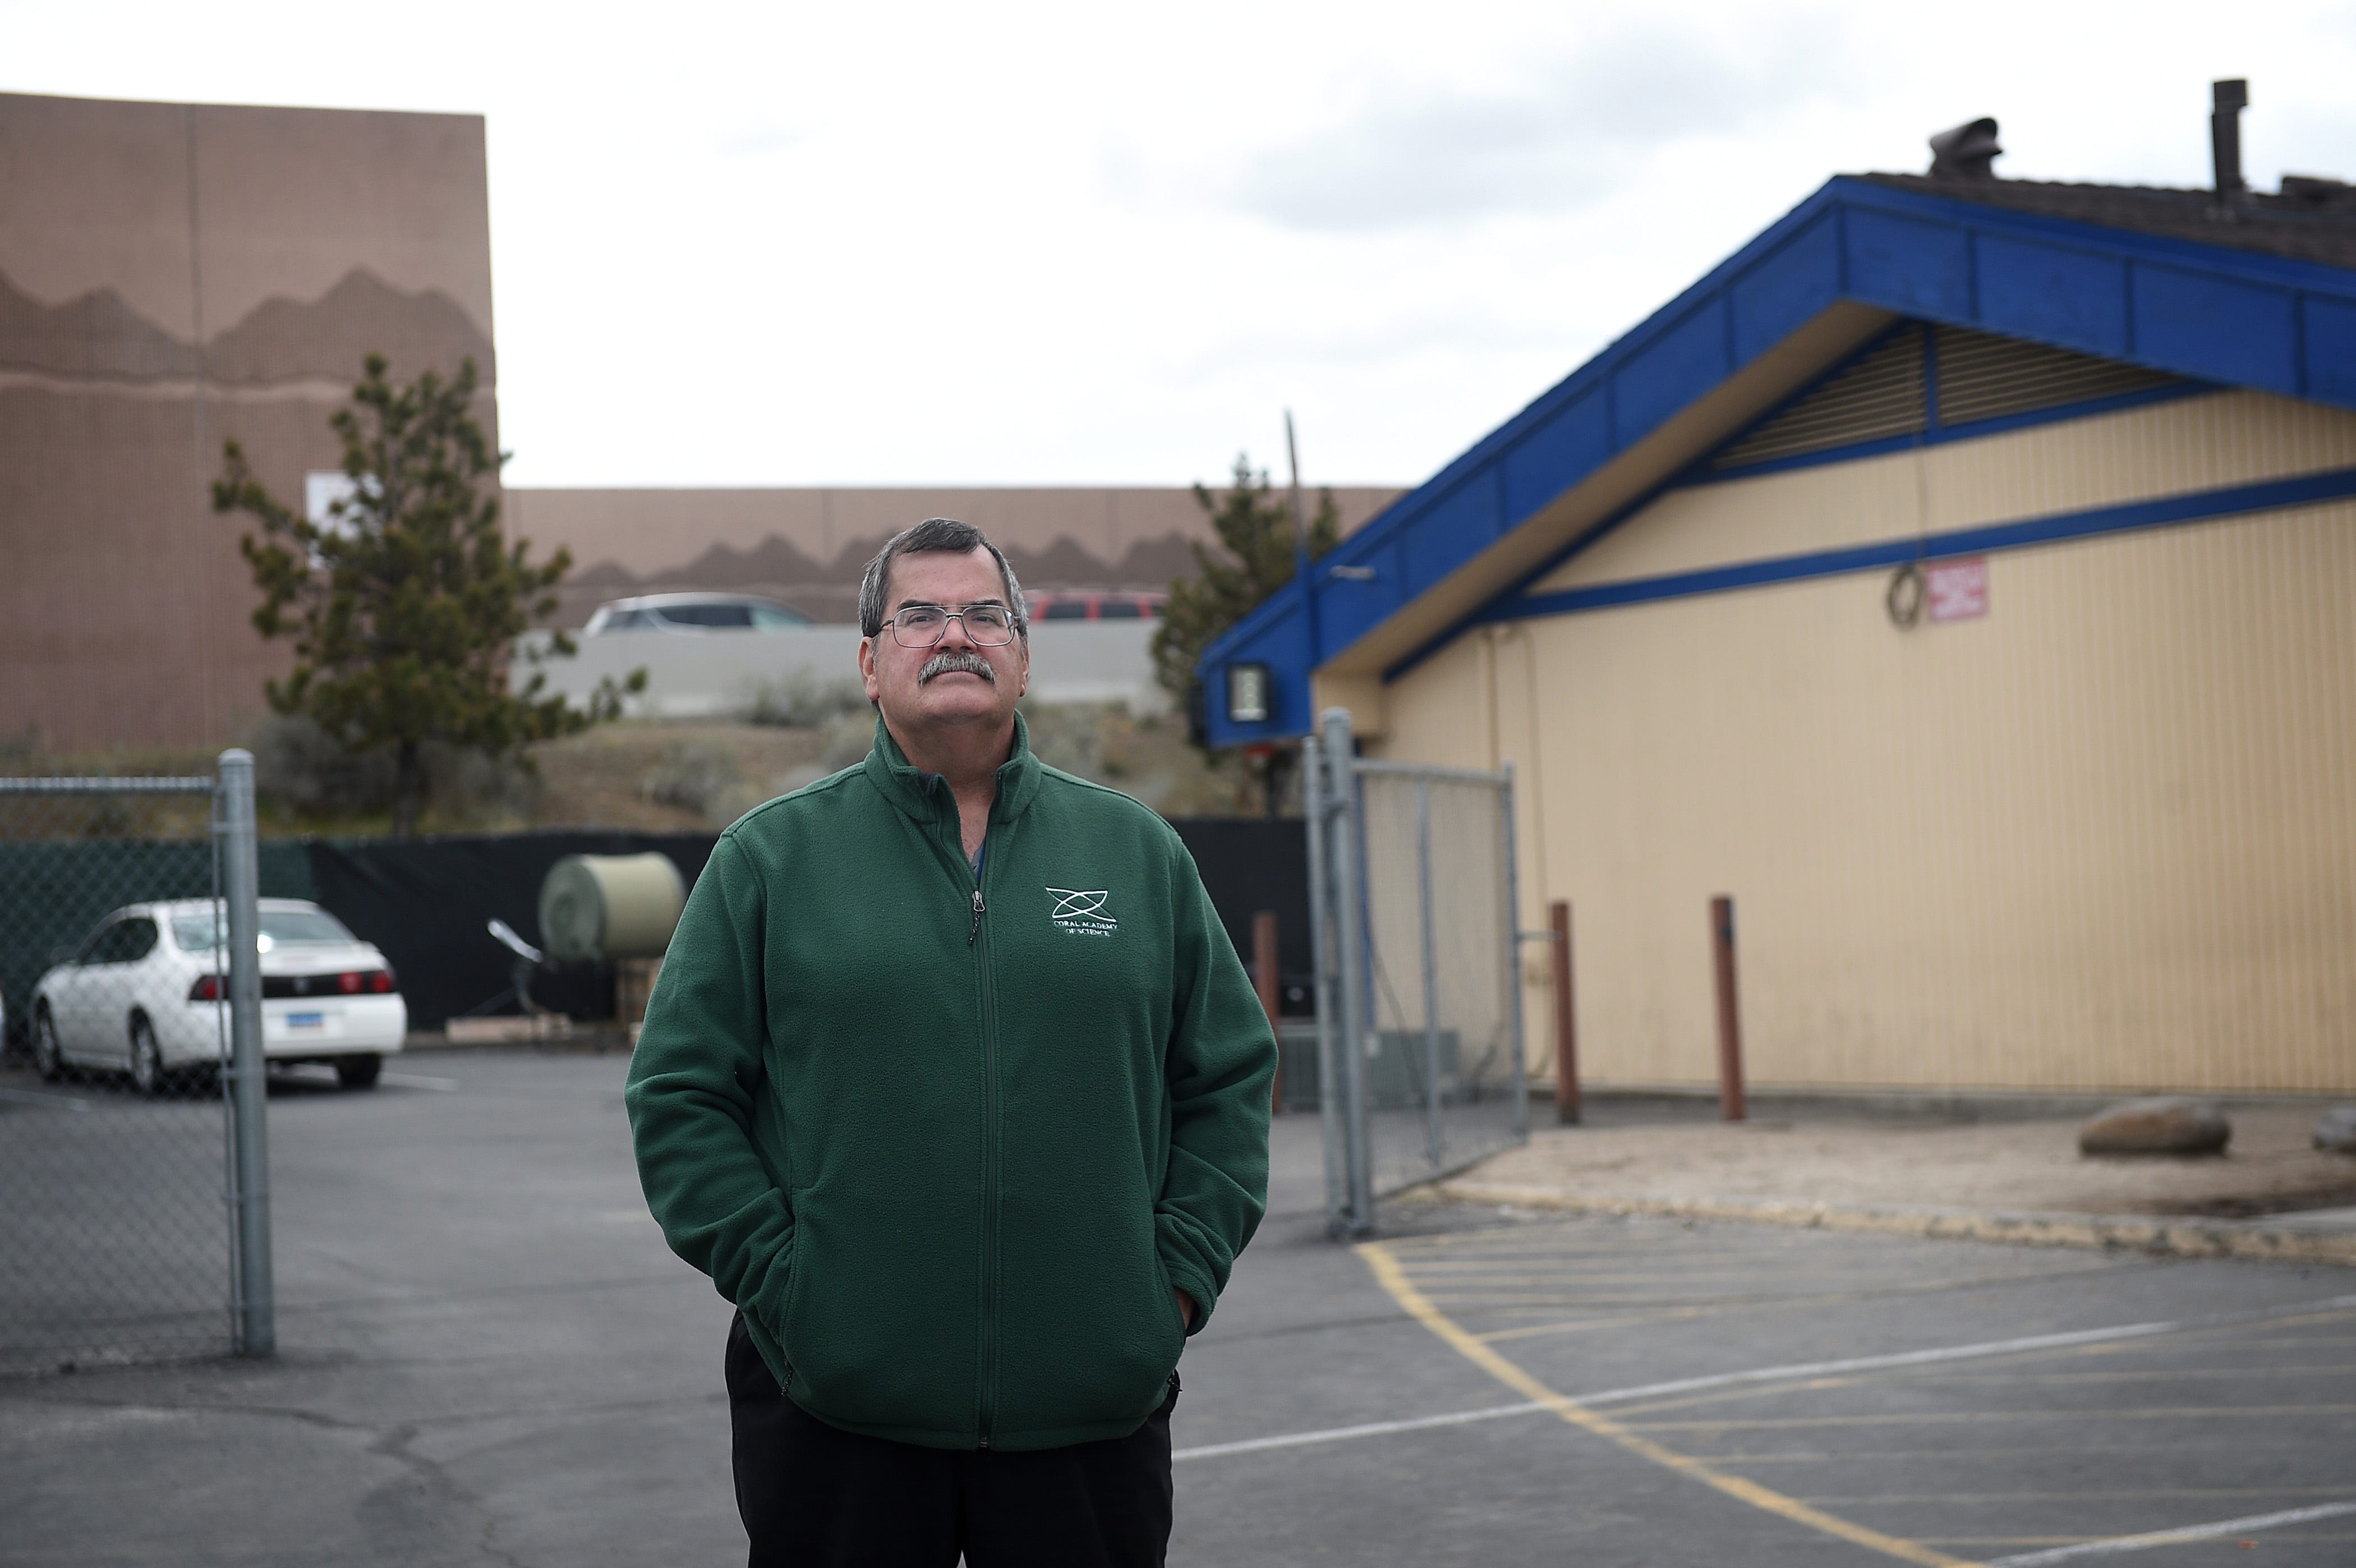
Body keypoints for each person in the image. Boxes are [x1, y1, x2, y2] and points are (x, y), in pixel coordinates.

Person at [625, 517, 1277, 1567]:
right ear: (871, 663)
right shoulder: (772, 860)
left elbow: (1229, 1079)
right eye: (919, 615)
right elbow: (678, 1093)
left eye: (985, 614)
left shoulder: (1135, 853)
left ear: (1023, 653)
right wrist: (792, 1290)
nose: (955, 635)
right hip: (838, 1421)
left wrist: (1172, 1286)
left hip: (1089, 1419)